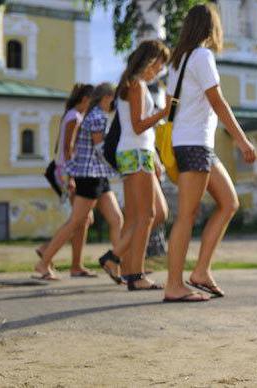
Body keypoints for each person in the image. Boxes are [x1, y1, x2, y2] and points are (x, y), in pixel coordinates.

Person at [163, 4, 257, 302]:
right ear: (212, 28)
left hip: (192, 143)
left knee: (229, 202)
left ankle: (201, 271)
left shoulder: (178, 61)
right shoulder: (202, 56)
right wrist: (242, 141)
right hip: (194, 143)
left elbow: (169, 107)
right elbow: (218, 102)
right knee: (186, 216)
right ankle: (174, 285)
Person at [96, 40, 170, 291]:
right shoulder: (136, 84)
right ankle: (133, 272)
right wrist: (164, 111)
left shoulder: (133, 84)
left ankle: (120, 262)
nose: (161, 68)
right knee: (147, 215)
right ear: (150, 59)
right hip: (136, 153)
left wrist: (156, 158)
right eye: (160, 62)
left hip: (139, 153)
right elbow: (138, 126)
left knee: (150, 214)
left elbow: (134, 127)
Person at [34, 83, 124, 282]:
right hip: (88, 175)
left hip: (99, 175)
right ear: (107, 97)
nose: (116, 103)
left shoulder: (92, 115)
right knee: (76, 221)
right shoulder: (97, 117)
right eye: (114, 98)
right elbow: (101, 149)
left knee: (116, 219)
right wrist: (122, 164)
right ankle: (43, 261)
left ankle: (116, 267)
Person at [36, 83, 98, 278]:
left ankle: (74, 264)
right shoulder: (75, 117)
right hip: (69, 172)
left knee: (82, 220)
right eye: (93, 101)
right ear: (85, 99)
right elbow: (67, 148)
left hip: (67, 171)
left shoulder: (72, 115)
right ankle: (46, 256)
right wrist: (71, 176)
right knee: (80, 219)